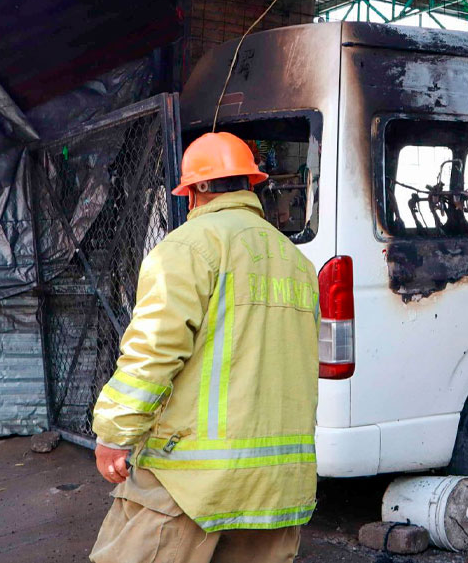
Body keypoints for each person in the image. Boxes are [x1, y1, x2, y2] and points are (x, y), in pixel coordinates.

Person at [89, 132, 321, 563]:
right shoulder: (298, 263)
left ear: (195, 190)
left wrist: (114, 434)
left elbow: (153, 352)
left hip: (191, 484)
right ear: (250, 185)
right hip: (278, 487)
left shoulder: (188, 249)